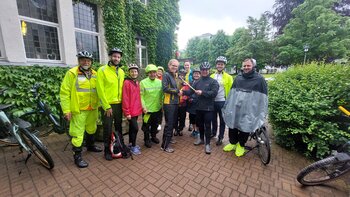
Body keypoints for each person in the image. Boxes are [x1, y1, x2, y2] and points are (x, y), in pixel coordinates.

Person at [60, 51, 102, 168]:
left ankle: (90, 145)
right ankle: (77, 156)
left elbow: (99, 90)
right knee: (77, 133)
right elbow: (64, 93)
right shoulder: (72, 73)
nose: (86, 62)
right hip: (79, 109)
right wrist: (66, 110)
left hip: (92, 108)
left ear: (91, 62)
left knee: (91, 128)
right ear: (79, 61)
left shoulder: (95, 73)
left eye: (88, 60)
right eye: (83, 60)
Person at [222, 58, 268, 157]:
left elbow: (263, 97)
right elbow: (232, 94)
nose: (246, 67)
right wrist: (228, 105)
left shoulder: (260, 80)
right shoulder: (238, 78)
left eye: (248, 66)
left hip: (249, 110)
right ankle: (233, 143)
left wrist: (261, 111)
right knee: (232, 125)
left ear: (253, 66)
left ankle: (241, 145)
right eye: (245, 66)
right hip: (236, 108)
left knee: (245, 127)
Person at [182, 62, 219, 154]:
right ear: (201, 71)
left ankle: (207, 144)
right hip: (198, 108)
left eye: (206, 70)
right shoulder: (197, 82)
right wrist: (183, 92)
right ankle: (201, 139)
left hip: (208, 108)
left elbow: (214, 93)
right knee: (200, 125)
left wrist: (202, 92)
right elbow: (190, 91)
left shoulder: (213, 82)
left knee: (207, 126)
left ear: (209, 70)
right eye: (203, 70)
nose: (204, 71)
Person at [96, 47, 125, 161]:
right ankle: (107, 151)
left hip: (119, 104)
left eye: (118, 57)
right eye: (114, 56)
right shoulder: (102, 70)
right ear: (110, 57)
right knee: (107, 128)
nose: (116, 58)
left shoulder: (122, 71)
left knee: (119, 127)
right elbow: (100, 90)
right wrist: (106, 106)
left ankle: (119, 146)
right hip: (108, 105)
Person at [210, 56, 233, 146]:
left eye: (222, 64)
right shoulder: (212, 76)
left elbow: (231, 90)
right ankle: (214, 132)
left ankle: (221, 137)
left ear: (224, 65)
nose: (220, 65)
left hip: (222, 101)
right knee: (213, 119)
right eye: (218, 64)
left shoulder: (228, 77)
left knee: (222, 120)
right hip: (213, 101)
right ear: (216, 65)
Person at [140, 64, 163, 148]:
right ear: (147, 73)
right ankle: (146, 139)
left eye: (154, 72)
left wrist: (162, 104)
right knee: (146, 126)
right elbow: (141, 96)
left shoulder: (160, 82)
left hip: (157, 108)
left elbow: (162, 95)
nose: (152, 74)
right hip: (147, 110)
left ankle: (153, 137)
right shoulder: (143, 82)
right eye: (150, 73)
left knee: (155, 125)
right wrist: (143, 107)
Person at [161, 59, 180, 153]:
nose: (174, 67)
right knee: (169, 124)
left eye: (176, 66)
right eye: (173, 65)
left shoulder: (175, 75)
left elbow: (176, 87)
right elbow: (165, 89)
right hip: (169, 103)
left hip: (175, 102)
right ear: (169, 65)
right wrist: (177, 91)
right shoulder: (166, 75)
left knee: (172, 123)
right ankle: (165, 145)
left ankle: (169, 139)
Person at [122, 64, 142, 155]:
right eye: (132, 71)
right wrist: (127, 112)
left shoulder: (137, 82)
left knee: (131, 129)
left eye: (135, 71)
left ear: (137, 72)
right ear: (129, 73)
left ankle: (130, 144)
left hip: (136, 110)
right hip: (130, 112)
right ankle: (133, 146)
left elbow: (137, 97)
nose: (134, 73)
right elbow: (125, 98)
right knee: (135, 128)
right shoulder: (126, 82)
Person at [174, 67, 189, 136]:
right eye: (181, 74)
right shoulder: (175, 81)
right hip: (176, 103)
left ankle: (181, 129)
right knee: (175, 117)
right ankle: (176, 129)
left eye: (183, 75)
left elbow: (189, 92)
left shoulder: (186, 83)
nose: (182, 76)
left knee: (182, 117)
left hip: (183, 104)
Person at [187, 68, 201, 137]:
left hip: (198, 104)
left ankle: (198, 131)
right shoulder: (191, 82)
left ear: (200, 74)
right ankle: (194, 130)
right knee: (192, 118)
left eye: (198, 74)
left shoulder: (202, 82)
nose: (196, 75)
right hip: (191, 104)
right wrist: (189, 98)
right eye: (195, 73)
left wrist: (194, 98)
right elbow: (189, 92)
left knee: (198, 118)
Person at [184, 60, 193, 132]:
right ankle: (182, 124)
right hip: (184, 92)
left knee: (191, 109)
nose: (186, 66)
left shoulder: (192, 73)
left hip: (190, 93)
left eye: (188, 65)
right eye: (185, 65)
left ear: (190, 65)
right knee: (183, 109)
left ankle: (190, 124)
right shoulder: (182, 72)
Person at [156, 66, 165, 131]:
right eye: (158, 71)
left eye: (161, 71)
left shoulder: (164, 79)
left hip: (162, 97)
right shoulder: (153, 78)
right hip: (154, 98)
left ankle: (159, 123)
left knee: (160, 111)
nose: (159, 72)